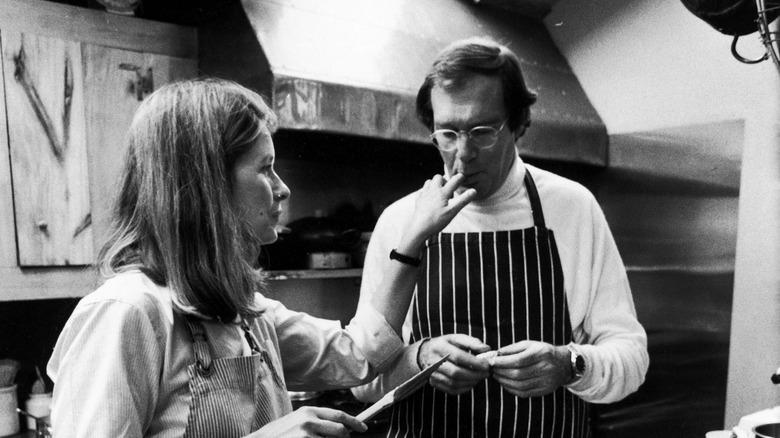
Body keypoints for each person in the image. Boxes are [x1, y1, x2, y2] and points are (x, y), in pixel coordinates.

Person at [46, 78, 476, 438]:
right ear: (207, 184)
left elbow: (357, 354)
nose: (283, 188)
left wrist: (414, 237)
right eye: (265, 168)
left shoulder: (244, 312)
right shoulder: (127, 312)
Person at [351, 37, 649, 437]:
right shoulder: (401, 221)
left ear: (518, 124)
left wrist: (569, 364)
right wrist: (419, 361)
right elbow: (361, 379)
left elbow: (631, 358)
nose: (463, 153)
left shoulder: (573, 209)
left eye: (482, 131)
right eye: (447, 133)